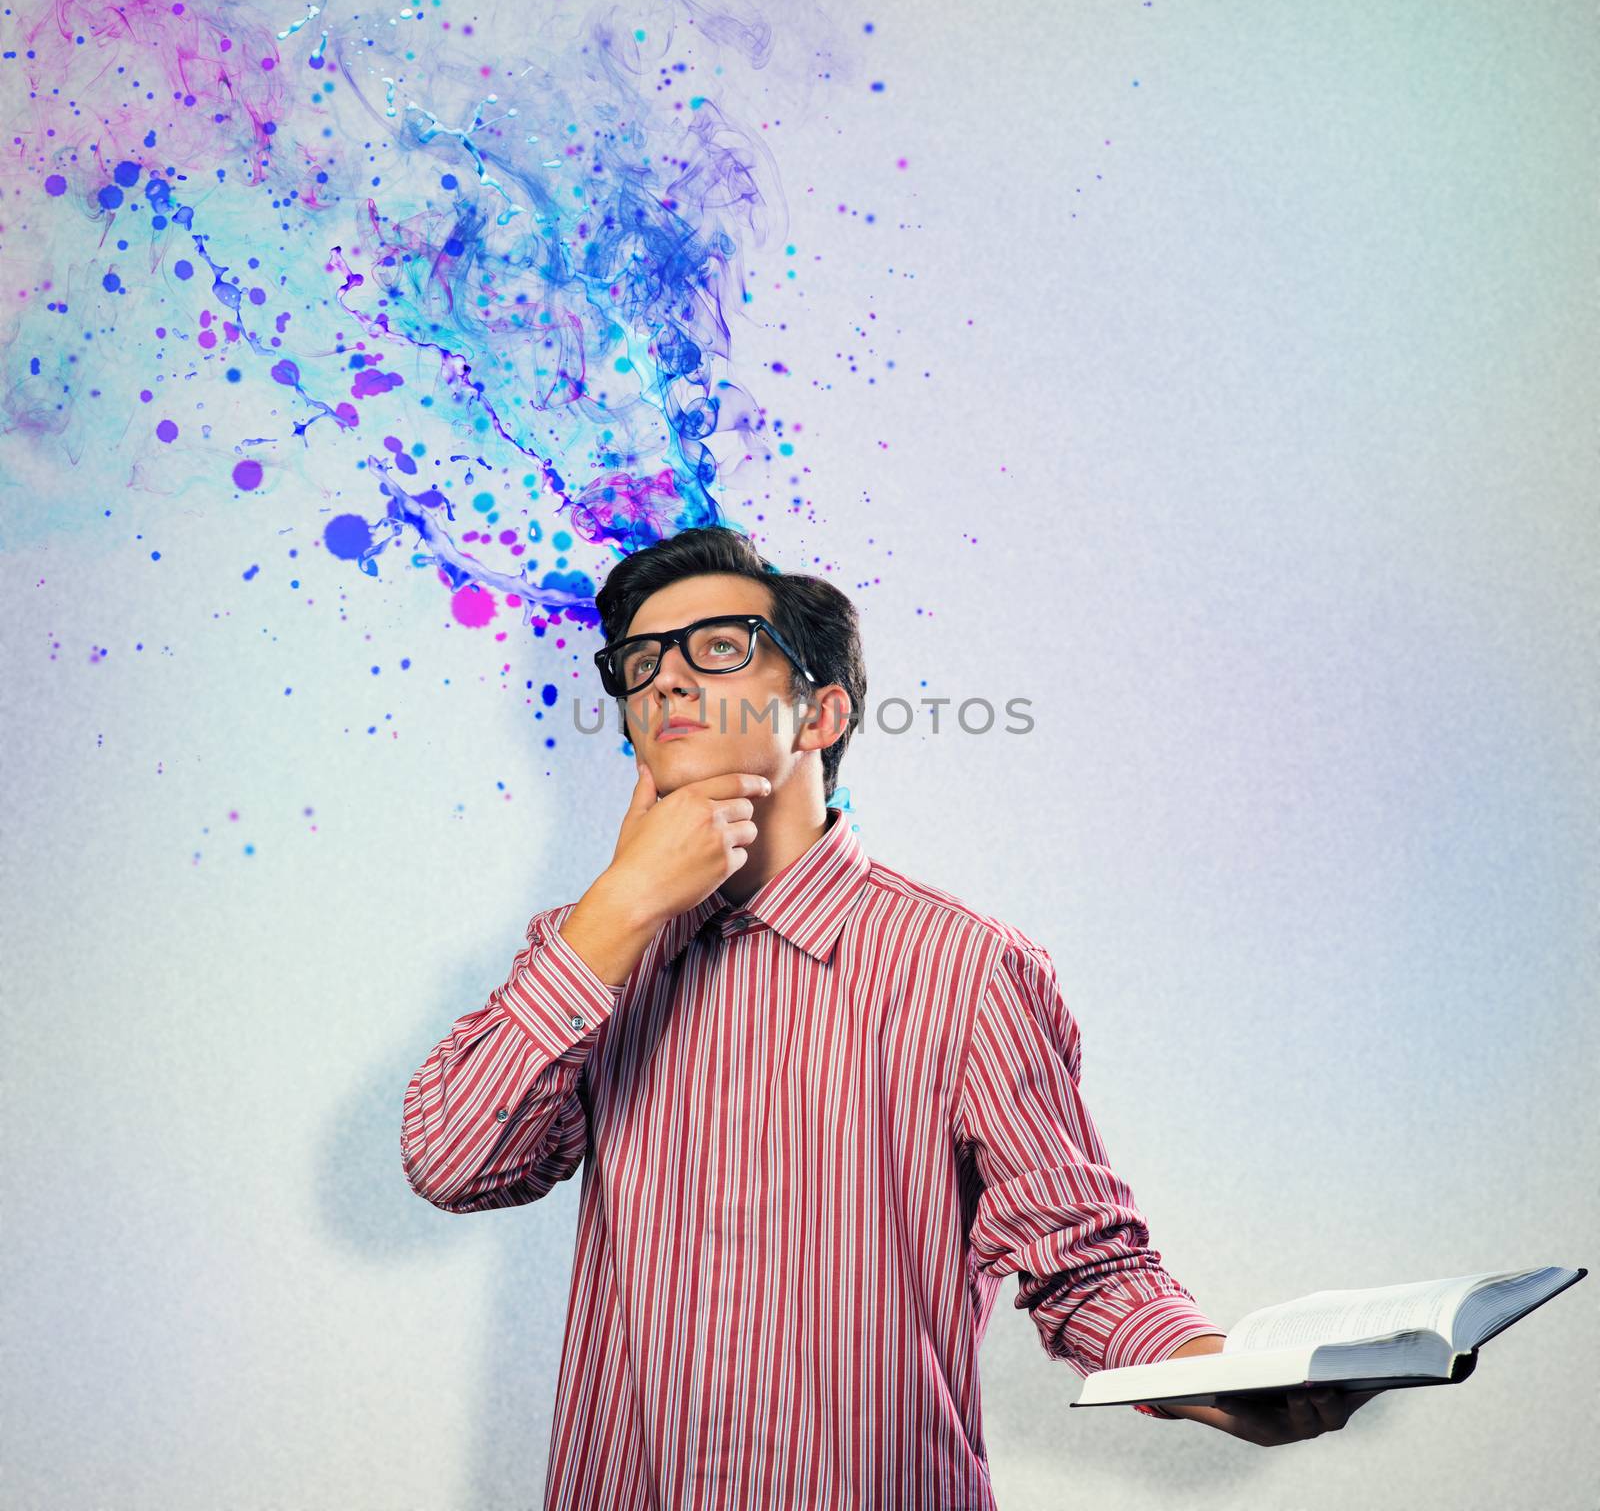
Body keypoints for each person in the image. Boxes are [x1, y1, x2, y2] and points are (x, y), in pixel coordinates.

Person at [401, 527, 1377, 1509]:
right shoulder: (588, 951)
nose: (664, 680)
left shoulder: (964, 965)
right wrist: (613, 913)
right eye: (641, 661)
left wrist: (1208, 1367)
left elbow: (1078, 1254)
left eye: (719, 645)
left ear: (819, 712)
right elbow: (453, 1163)